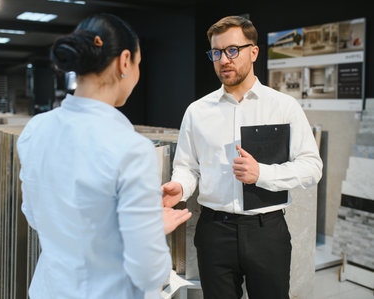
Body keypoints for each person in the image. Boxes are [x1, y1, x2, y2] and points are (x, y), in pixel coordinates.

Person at [17, 13, 191, 299]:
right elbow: (149, 271)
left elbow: (35, 216)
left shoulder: (36, 128)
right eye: (138, 64)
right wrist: (152, 229)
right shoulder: (133, 149)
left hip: (49, 289)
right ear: (125, 62)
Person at [162, 16, 322, 299]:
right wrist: (180, 187)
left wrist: (262, 174)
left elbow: (312, 167)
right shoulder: (197, 112)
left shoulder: (283, 106)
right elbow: (187, 167)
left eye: (233, 50)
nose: (224, 59)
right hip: (214, 231)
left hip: (267, 231)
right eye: (217, 52)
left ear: (254, 52)